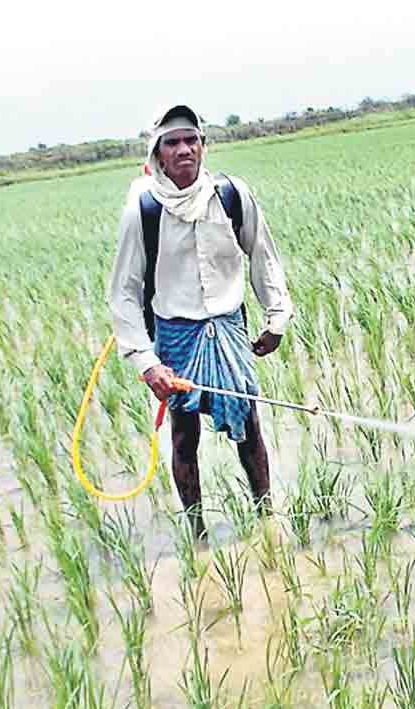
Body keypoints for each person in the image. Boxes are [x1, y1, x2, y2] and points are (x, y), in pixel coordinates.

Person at [107, 103, 293, 539]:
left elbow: (262, 256)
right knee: (184, 434)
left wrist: (276, 317)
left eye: (191, 140)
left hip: (228, 326)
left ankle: (268, 520)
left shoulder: (231, 196)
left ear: (204, 146)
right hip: (176, 333)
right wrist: (146, 362)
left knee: (248, 422)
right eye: (172, 143)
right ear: (158, 153)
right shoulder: (144, 208)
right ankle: (198, 533)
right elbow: (125, 292)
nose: (184, 149)